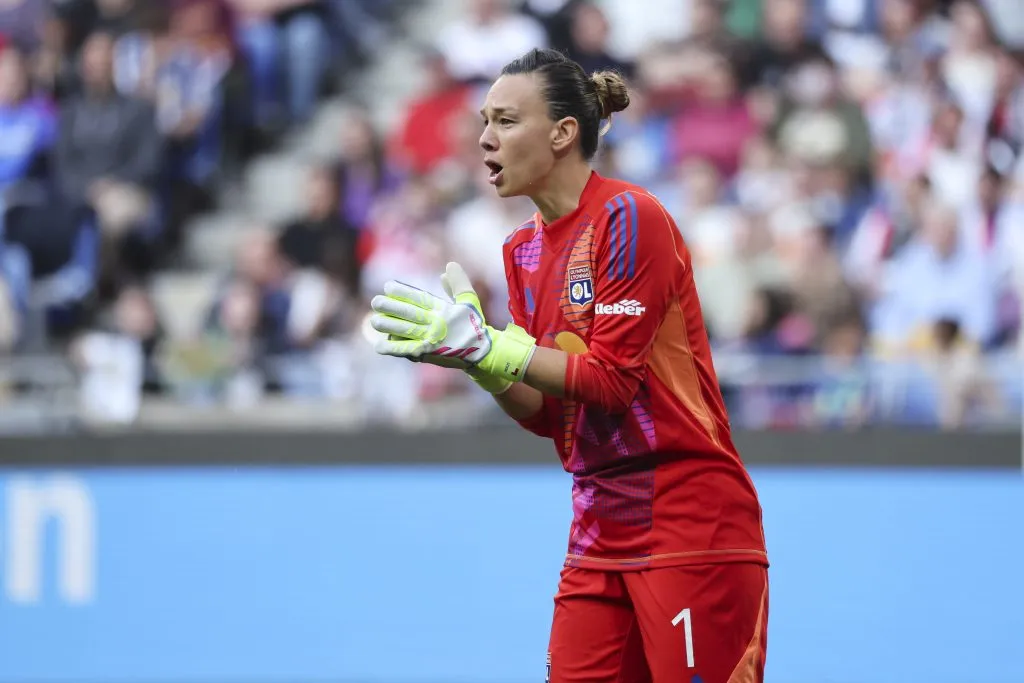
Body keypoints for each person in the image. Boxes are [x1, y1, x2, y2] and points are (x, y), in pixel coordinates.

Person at [368, 48, 769, 683]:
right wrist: (476, 363)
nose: (484, 138)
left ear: (562, 133)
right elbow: (551, 415)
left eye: (505, 120)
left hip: (691, 526)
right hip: (597, 527)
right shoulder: (520, 251)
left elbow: (611, 381)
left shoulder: (630, 217)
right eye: (484, 121)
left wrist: (494, 347)